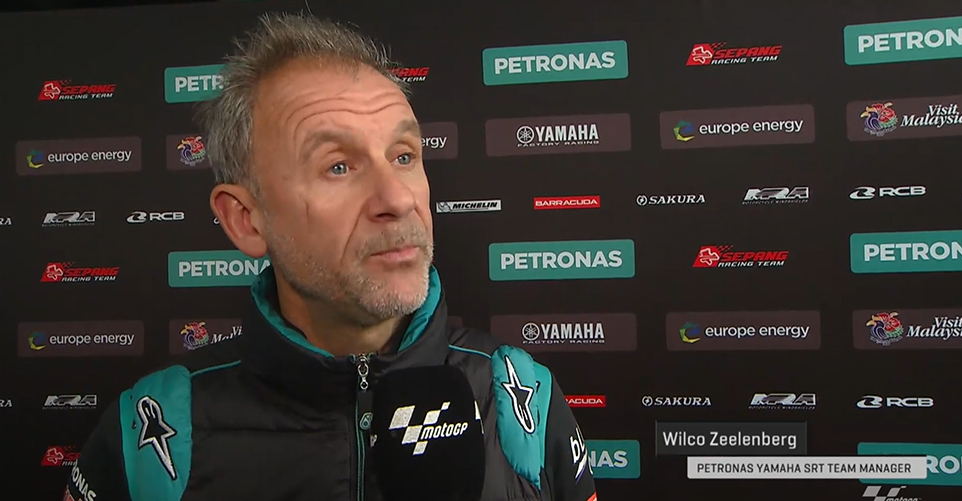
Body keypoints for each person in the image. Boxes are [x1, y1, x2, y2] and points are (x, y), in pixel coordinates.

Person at [64, 11, 597, 501]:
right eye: (338, 167)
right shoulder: (151, 432)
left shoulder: (521, 398)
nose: (397, 199)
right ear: (246, 219)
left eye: (403, 156)